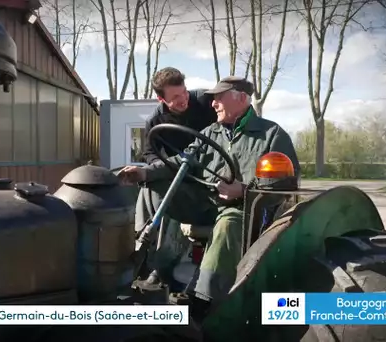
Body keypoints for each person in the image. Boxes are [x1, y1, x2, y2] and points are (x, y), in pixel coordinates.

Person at [119, 76, 300, 310]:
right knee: (154, 186)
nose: (213, 104)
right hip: (206, 203)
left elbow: (284, 184)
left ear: (242, 98)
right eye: (213, 99)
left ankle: (204, 299)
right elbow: (181, 161)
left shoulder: (272, 134)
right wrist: (145, 173)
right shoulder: (210, 132)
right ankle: (151, 265)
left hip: (244, 211)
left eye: (219, 98)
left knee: (227, 223)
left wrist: (243, 190)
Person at [134, 67, 217, 284]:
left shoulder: (206, 103)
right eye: (175, 98)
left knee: (154, 184)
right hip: (179, 176)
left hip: (212, 175)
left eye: (184, 92)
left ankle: (159, 260)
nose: (183, 100)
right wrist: (159, 167)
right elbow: (149, 152)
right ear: (160, 99)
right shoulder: (156, 121)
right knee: (150, 185)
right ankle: (151, 253)